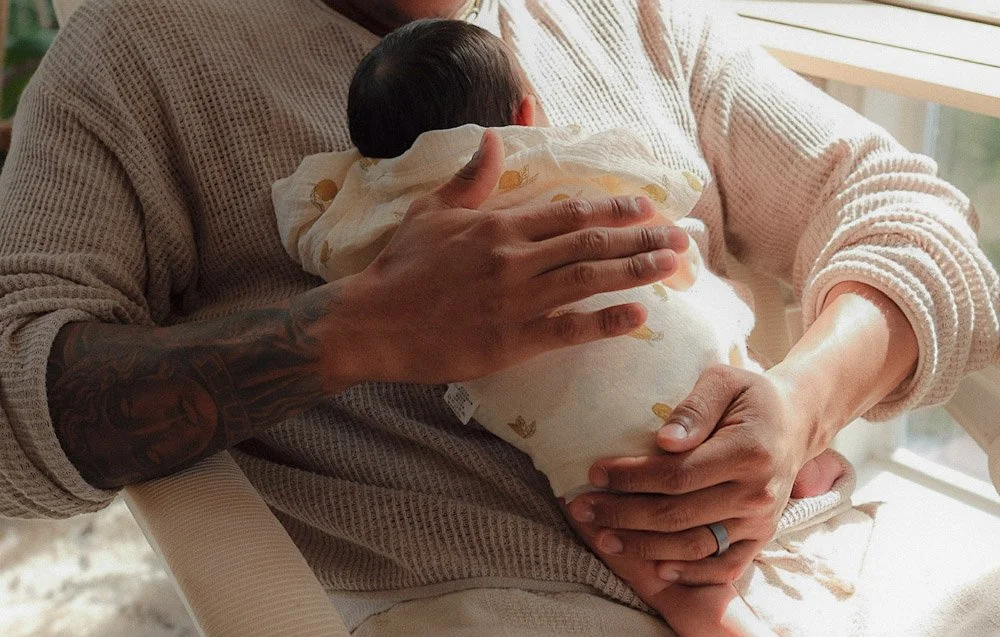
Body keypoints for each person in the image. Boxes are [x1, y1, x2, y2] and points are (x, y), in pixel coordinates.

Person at [0, 0, 994, 635]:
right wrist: (355, 330)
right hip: (473, 600)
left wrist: (798, 407)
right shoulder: (143, 54)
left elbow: (908, 214)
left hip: (817, 562)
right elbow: (12, 404)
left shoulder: (637, 18)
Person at [275, 20, 853, 632]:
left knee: (607, 512)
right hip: (668, 344)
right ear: (525, 112)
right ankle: (805, 464)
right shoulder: (559, 156)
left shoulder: (376, 211)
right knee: (720, 347)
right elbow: (647, 206)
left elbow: (310, 231)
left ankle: (708, 611)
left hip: (558, 410)